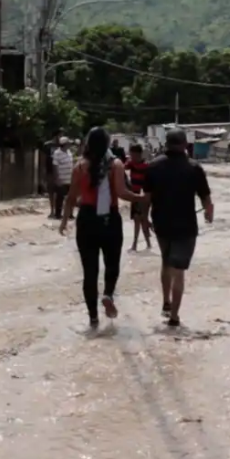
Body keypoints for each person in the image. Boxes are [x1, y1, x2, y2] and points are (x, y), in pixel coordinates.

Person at [61, 127, 146, 329]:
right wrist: (141, 198)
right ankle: (108, 294)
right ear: (108, 144)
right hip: (110, 220)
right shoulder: (115, 165)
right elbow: (122, 192)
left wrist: (64, 221)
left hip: (87, 220)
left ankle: (93, 319)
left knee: (89, 273)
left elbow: (71, 197)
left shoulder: (80, 166)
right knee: (112, 264)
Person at [144, 129, 213, 328]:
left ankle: (166, 301)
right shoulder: (194, 167)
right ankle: (174, 316)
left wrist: (143, 219)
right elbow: (206, 198)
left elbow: (146, 198)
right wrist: (209, 213)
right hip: (186, 224)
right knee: (179, 270)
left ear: (166, 144)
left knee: (166, 261)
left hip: (161, 223)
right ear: (185, 145)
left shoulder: (153, 166)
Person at [124, 143, 153, 251]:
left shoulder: (146, 166)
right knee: (138, 219)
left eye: (132, 154)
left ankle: (138, 244)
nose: (131, 156)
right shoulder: (131, 164)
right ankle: (145, 244)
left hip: (144, 195)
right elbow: (122, 169)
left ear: (138, 154)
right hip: (134, 195)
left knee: (141, 219)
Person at [51, 137, 74, 220]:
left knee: (70, 197)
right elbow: (55, 166)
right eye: (68, 143)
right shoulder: (57, 153)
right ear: (64, 145)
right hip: (61, 179)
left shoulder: (69, 152)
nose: (70, 145)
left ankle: (69, 214)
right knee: (60, 197)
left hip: (69, 178)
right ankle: (58, 214)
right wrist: (57, 178)